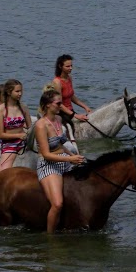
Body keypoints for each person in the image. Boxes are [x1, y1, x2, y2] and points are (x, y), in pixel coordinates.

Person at [35, 89, 85, 233]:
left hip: (65, 159)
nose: (60, 106)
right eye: (58, 103)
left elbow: (61, 144)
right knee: (57, 204)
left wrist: (75, 156)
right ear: (48, 105)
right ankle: (50, 237)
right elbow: (45, 154)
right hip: (49, 164)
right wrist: (70, 158)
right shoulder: (41, 125)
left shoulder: (58, 120)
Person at [0, 79, 32, 174]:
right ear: (9, 92)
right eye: (17, 91)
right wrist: (18, 135)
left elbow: (30, 127)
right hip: (10, 144)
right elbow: (1, 135)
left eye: (21, 91)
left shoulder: (24, 107)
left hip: (24, 142)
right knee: (3, 174)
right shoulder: (0, 110)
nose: (20, 94)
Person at [51, 54, 91, 123]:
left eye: (71, 66)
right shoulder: (57, 82)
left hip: (70, 111)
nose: (70, 68)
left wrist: (85, 107)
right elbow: (59, 104)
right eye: (67, 66)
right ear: (60, 66)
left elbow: (71, 96)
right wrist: (75, 115)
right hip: (60, 113)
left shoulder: (69, 77)